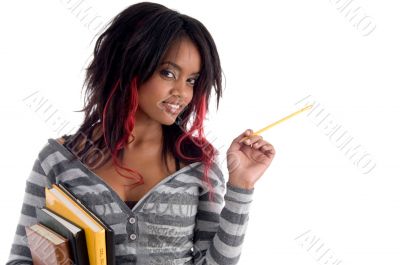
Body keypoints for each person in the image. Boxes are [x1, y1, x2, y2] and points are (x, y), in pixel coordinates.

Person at [6, 2, 276, 264]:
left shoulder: (197, 167)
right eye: (168, 73)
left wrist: (241, 186)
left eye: (191, 80)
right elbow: (22, 258)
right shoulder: (58, 161)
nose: (182, 93)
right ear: (129, 64)